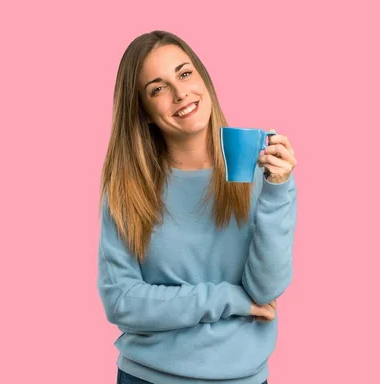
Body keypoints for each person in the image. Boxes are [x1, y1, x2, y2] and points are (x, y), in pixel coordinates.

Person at [97, 30, 298, 384]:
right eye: (158, 88)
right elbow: (122, 301)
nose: (180, 93)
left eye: (185, 73)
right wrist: (231, 300)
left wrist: (279, 190)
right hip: (148, 378)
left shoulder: (259, 172)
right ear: (143, 111)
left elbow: (265, 291)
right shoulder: (129, 188)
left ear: (204, 77)